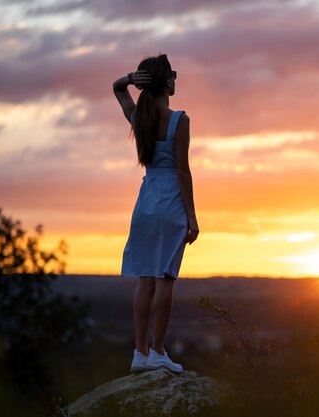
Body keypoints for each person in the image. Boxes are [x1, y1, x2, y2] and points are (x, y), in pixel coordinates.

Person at [112, 53, 199, 374]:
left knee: (145, 280)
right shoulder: (179, 120)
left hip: (145, 202)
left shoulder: (140, 118)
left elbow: (117, 90)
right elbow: (183, 172)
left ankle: (140, 352)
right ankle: (159, 351)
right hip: (170, 204)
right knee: (165, 279)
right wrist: (192, 216)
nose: (176, 80)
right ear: (166, 82)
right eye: (173, 75)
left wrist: (129, 80)